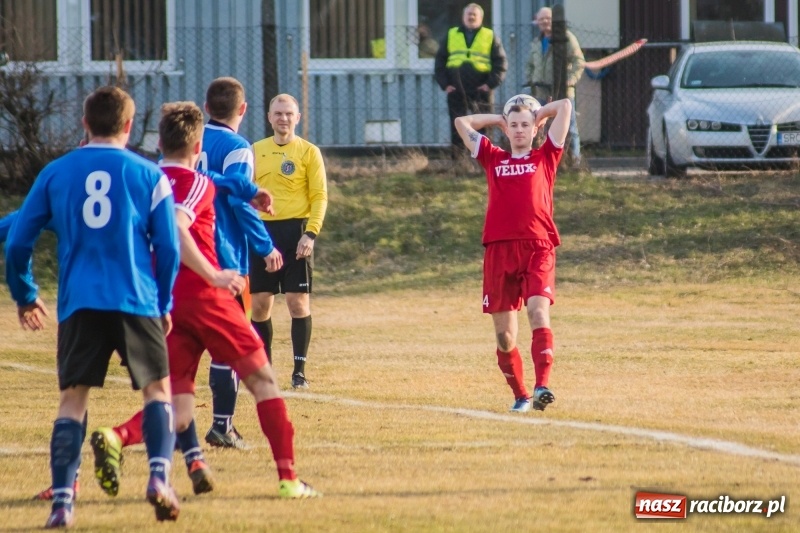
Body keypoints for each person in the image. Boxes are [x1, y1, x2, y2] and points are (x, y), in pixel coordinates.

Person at [90, 101, 320, 501]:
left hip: (164, 303)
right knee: (264, 381)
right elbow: (196, 202)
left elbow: (221, 181)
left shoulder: (144, 179)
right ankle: (288, 479)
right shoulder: (197, 183)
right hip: (206, 297)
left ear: (159, 143)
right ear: (198, 147)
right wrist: (214, 273)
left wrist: (250, 190)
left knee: (177, 403)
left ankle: (117, 435)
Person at [5, 86, 182, 527]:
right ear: (128, 126)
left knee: (72, 401)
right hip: (136, 299)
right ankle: (159, 478)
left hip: (79, 303)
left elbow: (18, 242)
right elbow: (169, 248)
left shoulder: (56, 173)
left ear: (84, 124)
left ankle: (63, 501)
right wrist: (164, 301)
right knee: (158, 392)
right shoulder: (149, 175)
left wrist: (26, 293)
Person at [453, 94, 573, 413]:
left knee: (537, 311)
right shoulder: (493, 157)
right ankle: (521, 394)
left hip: (538, 247)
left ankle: (542, 386)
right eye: (514, 125)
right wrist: (498, 118)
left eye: (526, 125)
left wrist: (540, 114)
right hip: (499, 249)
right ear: (507, 130)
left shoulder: (546, 157)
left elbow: (565, 106)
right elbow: (461, 123)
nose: (520, 130)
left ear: (535, 130)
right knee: (505, 337)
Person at [198, 77, 283, 449]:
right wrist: (265, 246)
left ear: (205, 107)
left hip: (182, 253)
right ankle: (222, 425)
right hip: (225, 256)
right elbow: (237, 199)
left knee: (181, 347)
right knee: (227, 345)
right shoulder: (238, 147)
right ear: (244, 109)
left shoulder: (187, 139)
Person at [249, 94, 328, 390]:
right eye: (278, 113)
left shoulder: (309, 152)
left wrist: (311, 233)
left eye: (289, 114)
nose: (283, 118)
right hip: (262, 233)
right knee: (259, 305)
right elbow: (246, 194)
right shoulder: (255, 151)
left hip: (296, 232)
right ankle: (264, 371)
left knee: (297, 303)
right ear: (269, 117)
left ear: (298, 117)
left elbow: (319, 196)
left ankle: (299, 373)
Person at [434, 3, 507, 159]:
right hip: (456, 89)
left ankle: (483, 159)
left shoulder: (490, 36)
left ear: (481, 18)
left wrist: (489, 85)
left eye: (475, 14)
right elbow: (440, 62)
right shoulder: (451, 35)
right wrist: (445, 85)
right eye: (469, 14)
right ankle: (458, 161)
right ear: (463, 17)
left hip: (481, 90)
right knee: (457, 125)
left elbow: (500, 63)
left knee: (483, 127)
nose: (471, 17)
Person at [525, 6, 585, 167]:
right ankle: (543, 162)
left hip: (563, 93)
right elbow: (530, 65)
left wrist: (570, 80)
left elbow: (579, 61)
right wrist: (531, 79)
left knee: (570, 127)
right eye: (541, 19)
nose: (545, 22)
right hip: (540, 92)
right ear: (537, 21)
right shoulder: (536, 42)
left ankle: (575, 163)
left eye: (548, 18)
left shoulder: (566, 37)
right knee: (539, 127)